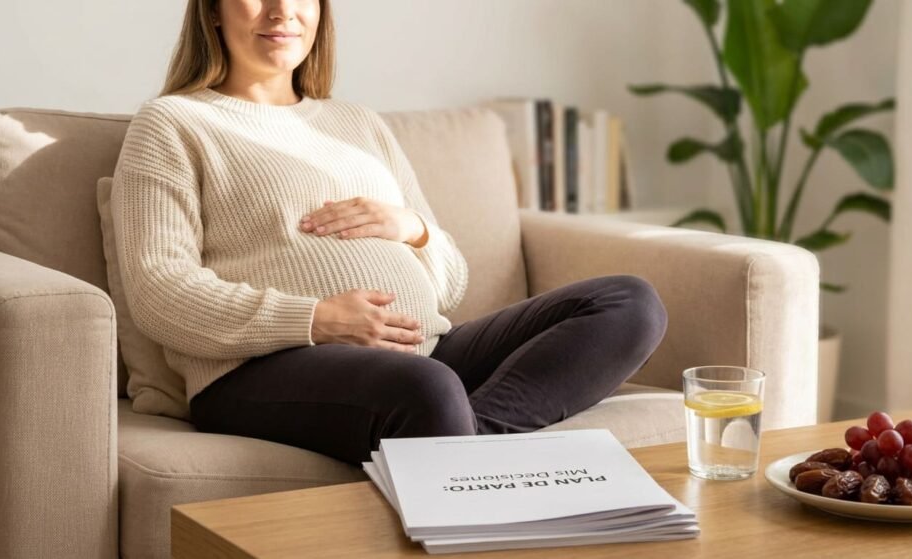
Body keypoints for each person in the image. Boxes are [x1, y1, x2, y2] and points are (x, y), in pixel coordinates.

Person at [113, 0, 668, 467]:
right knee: (426, 390)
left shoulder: (358, 123)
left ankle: (465, 452)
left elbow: (450, 284)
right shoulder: (173, 122)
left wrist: (415, 229)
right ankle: (461, 455)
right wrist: (315, 320)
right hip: (258, 370)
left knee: (629, 303)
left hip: (425, 352)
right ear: (211, 10)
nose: (281, 11)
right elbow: (158, 290)